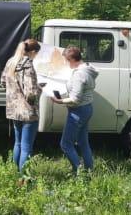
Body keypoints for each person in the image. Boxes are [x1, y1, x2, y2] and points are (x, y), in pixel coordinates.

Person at [52, 45, 98, 176]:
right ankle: (88, 172)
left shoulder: (79, 74)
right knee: (83, 142)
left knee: (65, 144)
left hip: (78, 111)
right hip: (86, 109)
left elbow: (75, 99)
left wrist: (59, 101)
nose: (66, 64)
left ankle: (79, 173)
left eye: (66, 61)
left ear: (72, 59)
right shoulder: (87, 70)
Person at [1, 39, 42, 182]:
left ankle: (15, 174)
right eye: (36, 54)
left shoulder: (10, 62)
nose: (36, 56)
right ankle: (23, 181)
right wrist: (41, 89)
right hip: (27, 112)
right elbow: (30, 93)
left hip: (13, 110)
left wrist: (14, 95)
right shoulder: (28, 65)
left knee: (17, 143)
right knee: (26, 148)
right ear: (32, 52)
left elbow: (3, 82)